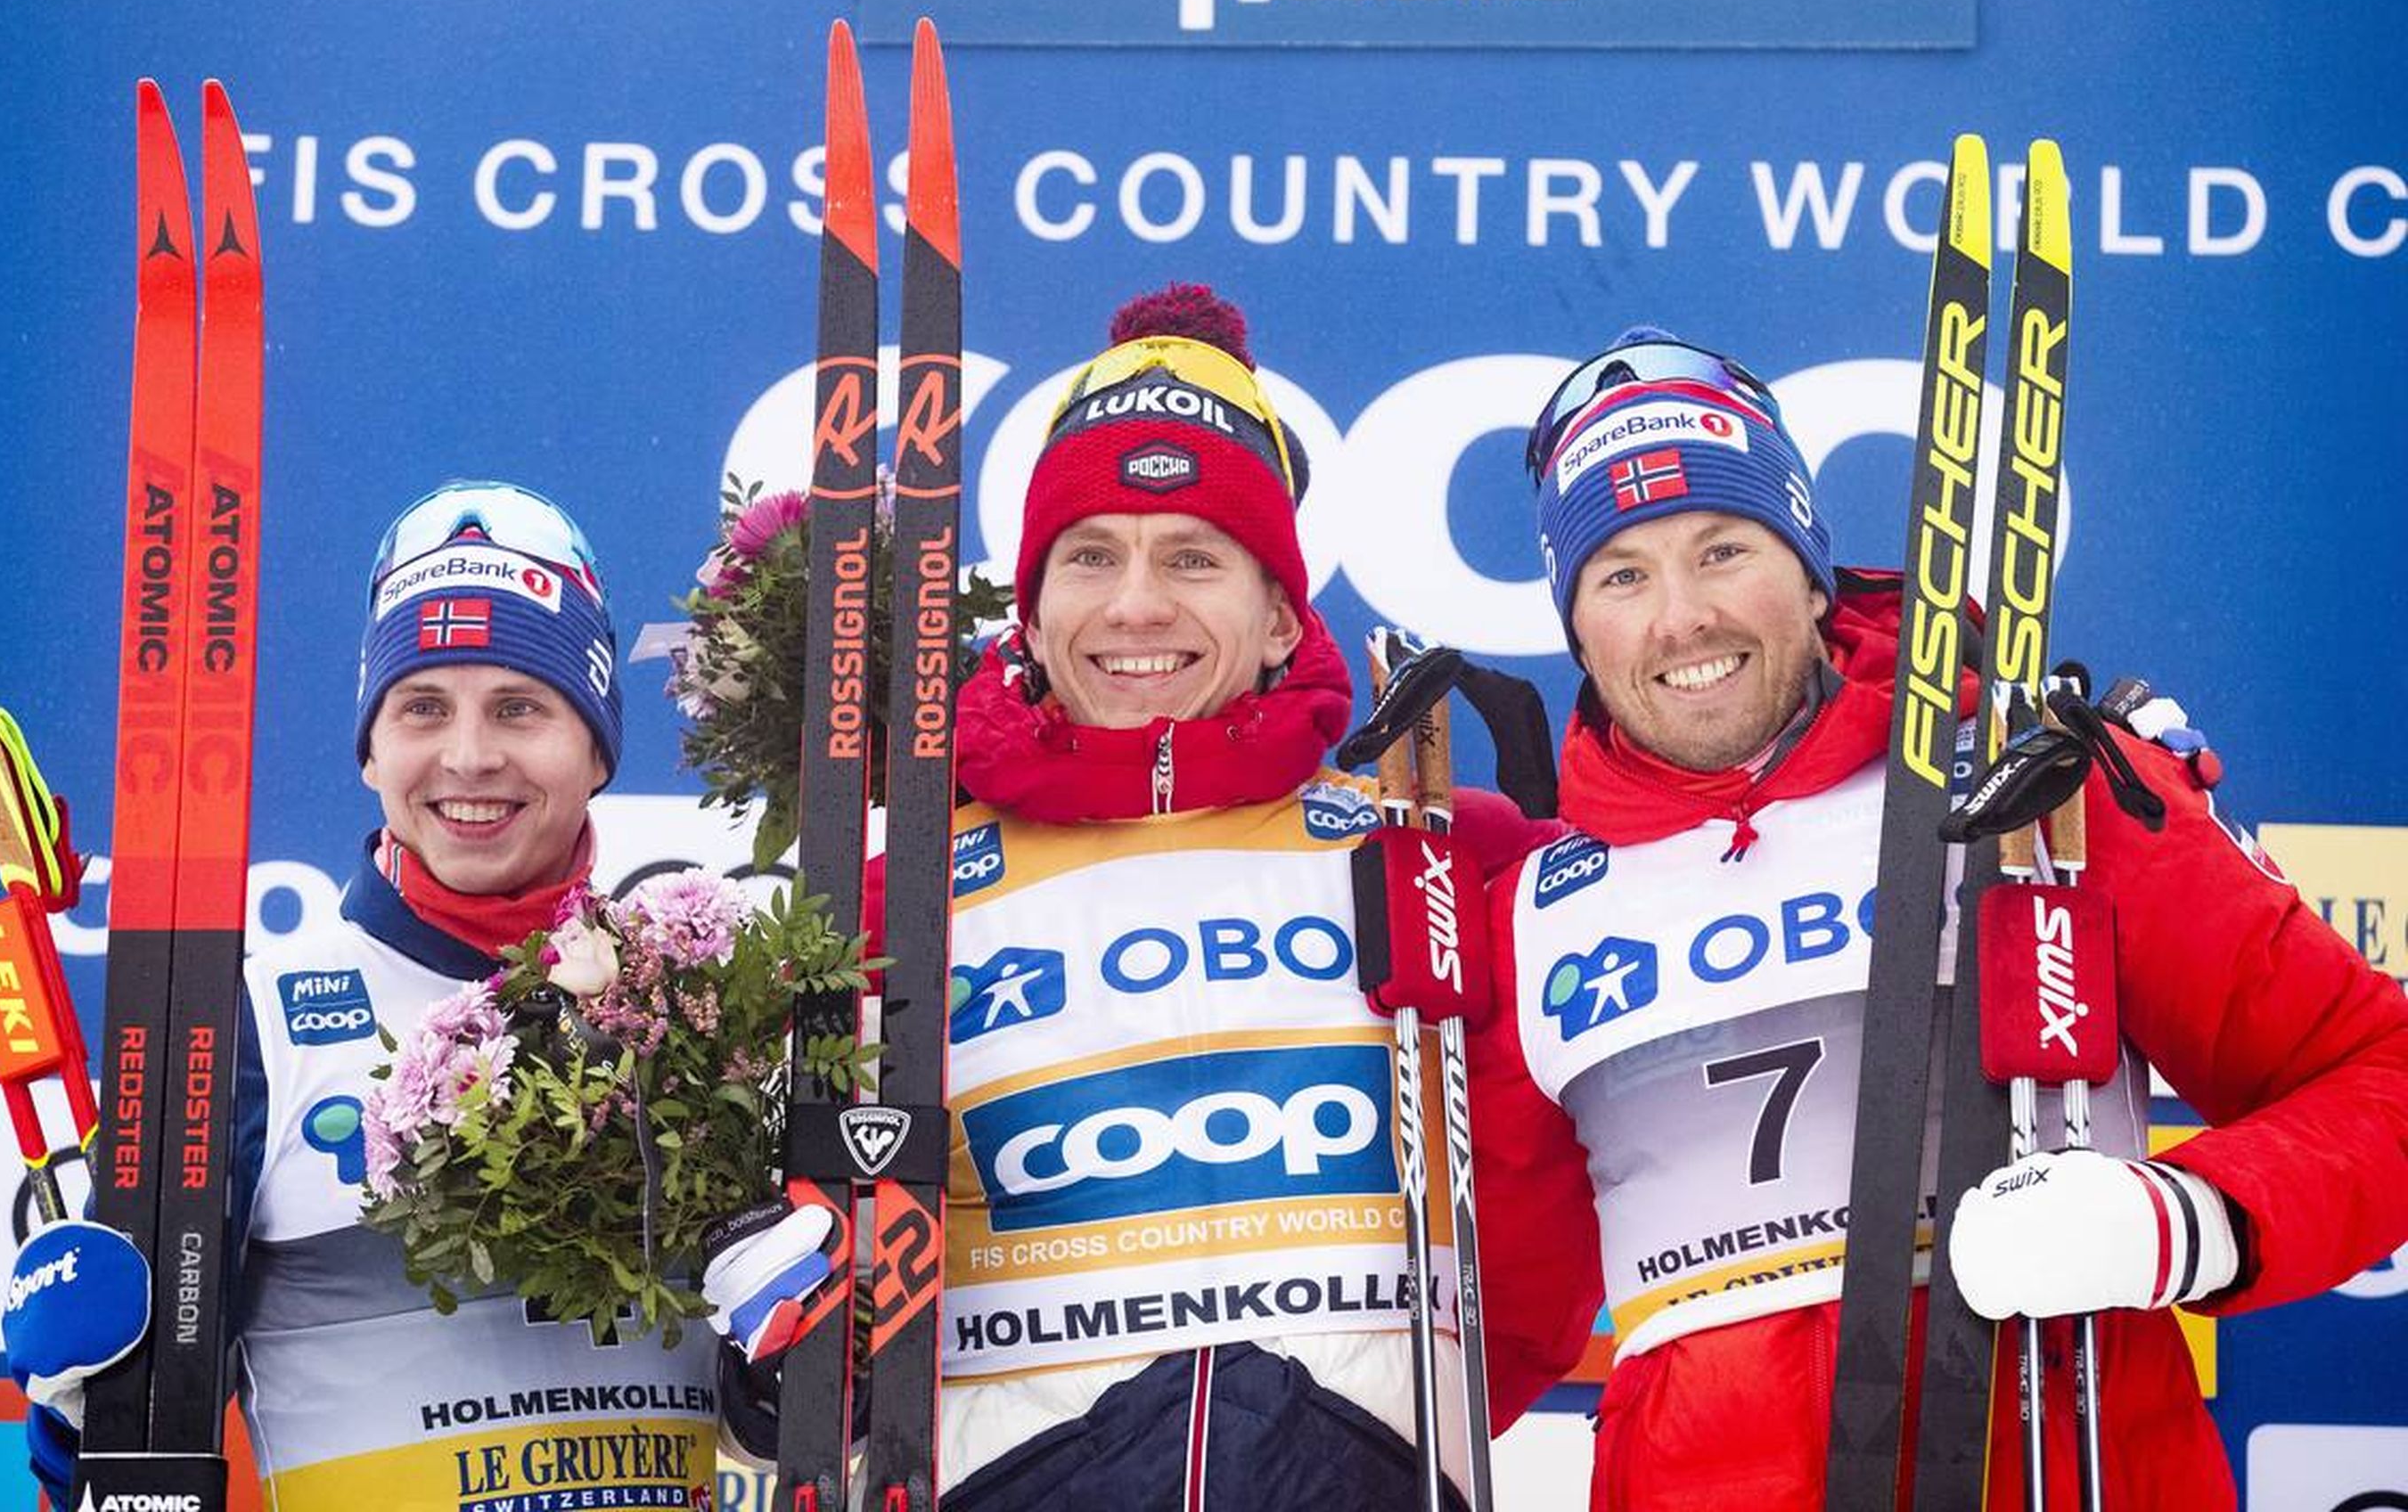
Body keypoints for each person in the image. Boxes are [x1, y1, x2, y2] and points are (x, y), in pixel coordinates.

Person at [1472, 328, 2408, 1509]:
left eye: (1723, 550)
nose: (1682, 618)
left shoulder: (2041, 788)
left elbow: (2377, 1074)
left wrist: (2182, 1219)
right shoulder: (1532, 914)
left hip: (2057, 1462)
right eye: (1621, 575)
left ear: (1811, 571)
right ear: (1577, 629)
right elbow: (1487, 1324)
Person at [708, 285, 1593, 1509]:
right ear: (1030, 606)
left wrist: (1354, 1440)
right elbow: (824, 1301)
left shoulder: (1441, 859)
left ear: (1279, 614)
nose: (1135, 606)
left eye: (1193, 557)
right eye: (1090, 556)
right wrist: (790, 1366)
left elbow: (1545, 1250)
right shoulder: (887, 904)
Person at [5, 480, 723, 1510]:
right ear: (372, 747)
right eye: (422, 707)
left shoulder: (696, 1008)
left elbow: (789, 1410)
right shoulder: (248, 1027)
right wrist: (78, 1395)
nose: (470, 757)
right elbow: (120, 1469)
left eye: (521, 705)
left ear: (598, 743)